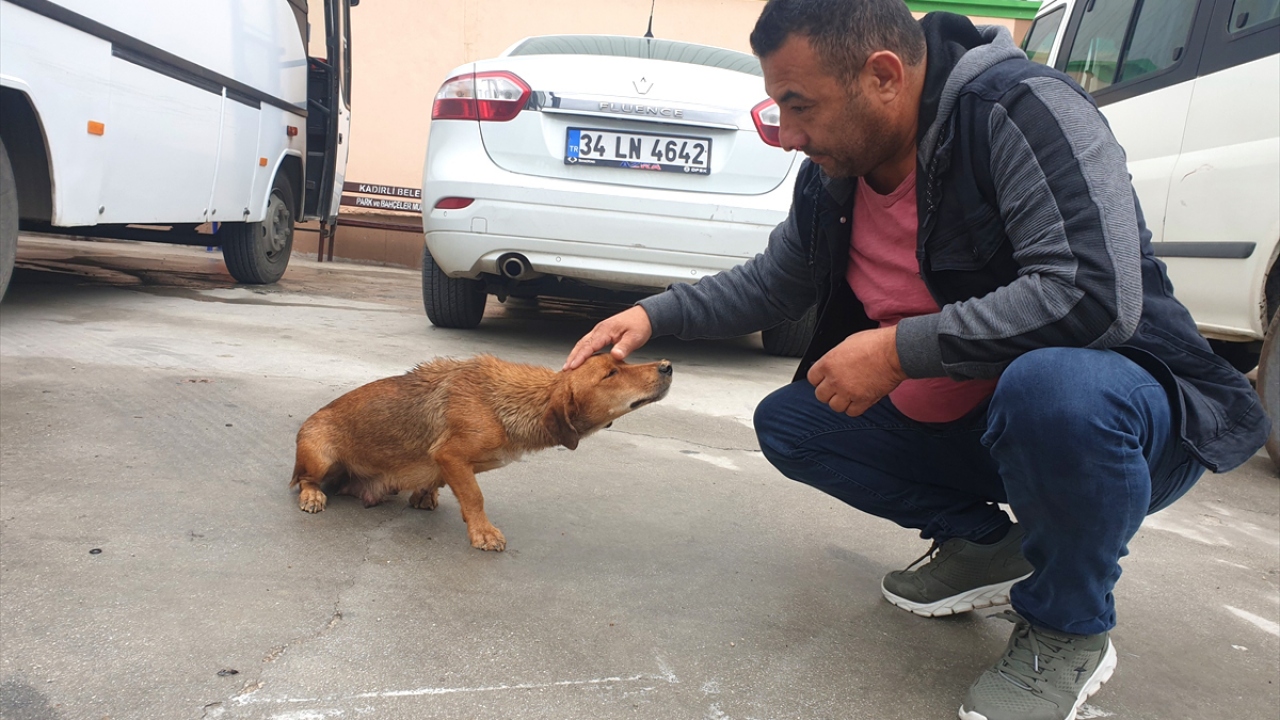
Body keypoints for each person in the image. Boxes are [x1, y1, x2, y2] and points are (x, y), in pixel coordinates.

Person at [564, 1, 1271, 718]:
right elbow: (776, 281)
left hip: (1125, 424)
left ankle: (1066, 628)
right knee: (794, 421)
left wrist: (903, 349)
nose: (789, 136)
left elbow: (1091, 295)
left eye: (800, 106)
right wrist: (650, 315)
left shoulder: (1019, 113)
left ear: (883, 76)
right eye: (777, 107)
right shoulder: (837, 173)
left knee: (1054, 387)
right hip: (987, 425)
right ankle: (991, 545)